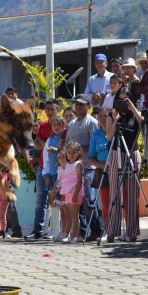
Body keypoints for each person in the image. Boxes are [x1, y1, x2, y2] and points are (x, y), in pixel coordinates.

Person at [103, 92, 144, 243]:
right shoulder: (111, 115)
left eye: (126, 100)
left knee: (133, 194)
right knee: (115, 192)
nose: (123, 103)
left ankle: (132, 231)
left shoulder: (135, 114)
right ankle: (112, 231)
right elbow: (109, 136)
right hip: (115, 153)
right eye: (120, 100)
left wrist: (132, 107)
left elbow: (143, 121)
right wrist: (115, 119)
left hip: (132, 152)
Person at [66, 95, 101, 240]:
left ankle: (96, 230)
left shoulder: (92, 122)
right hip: (74, 169)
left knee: (88, 199)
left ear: (88, 106)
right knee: (77, 201)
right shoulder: (72, 123)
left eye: (82, 105)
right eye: (77, 105)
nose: (79, 107)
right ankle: (83, 231)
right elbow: (68, 143)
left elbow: (94, 144)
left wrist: (78, 150)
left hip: (88, 167)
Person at [27, 99, 62, 240]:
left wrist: (45, 144)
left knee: (57, 199)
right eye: (47, 109)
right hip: (42, 167)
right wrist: (45, 143)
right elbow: (36, 143)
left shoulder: (62, 126)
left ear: (58, 110)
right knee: (41, 199)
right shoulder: (43, 125)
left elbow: (59, 147)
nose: (49, 111)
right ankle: (38, 230)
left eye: (53, 109)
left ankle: (56, 230)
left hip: (58, 169)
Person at [59, 142, 84, 243]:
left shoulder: (78, 164)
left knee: (74, 214)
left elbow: (79, 181)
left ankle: (72, 236)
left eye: (74, 152)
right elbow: (66, 180)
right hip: (68, 192)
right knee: (71, 213)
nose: (71, 154)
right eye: (69, 152)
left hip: (75, 192)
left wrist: (75, 194)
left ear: (78, 153)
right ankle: (78, 236)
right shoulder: (68, 164)